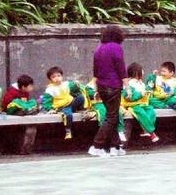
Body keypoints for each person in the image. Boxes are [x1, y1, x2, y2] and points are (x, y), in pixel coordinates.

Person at [89, 25, 128, 157]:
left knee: (113, 116)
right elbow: (121, 68)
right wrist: (127, 87)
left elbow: (95, 69)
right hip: (113, 85)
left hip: (101, 85)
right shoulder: (117, 48)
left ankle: (115, 146)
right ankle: (96, 145)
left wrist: (95, 88)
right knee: (111, 117)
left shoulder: (99, 48)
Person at [42, 66, 84, 140]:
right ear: (50, 79)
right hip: (62, 107)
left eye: (59, 76)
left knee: (80, 97)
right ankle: (68, 130)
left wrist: (76, 85)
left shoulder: (66, 84)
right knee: (68, 115)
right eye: (54, 77)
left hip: (71, 103)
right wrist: (50, 109)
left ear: (62, 76)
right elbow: (46, 101)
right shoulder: (50, 89)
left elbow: (73, 89)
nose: (57, 78)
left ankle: (80, 109)